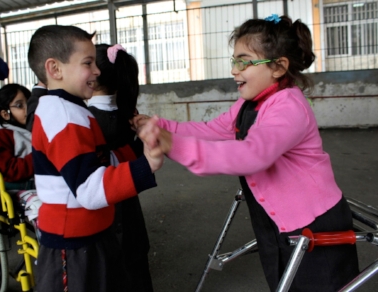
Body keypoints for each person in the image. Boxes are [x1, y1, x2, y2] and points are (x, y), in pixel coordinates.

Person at [134, 15, 359, 291]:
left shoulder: (288, 106)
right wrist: (161, 126)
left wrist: (173, 144)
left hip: (312, 224)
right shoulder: (249, 104)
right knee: (283, 281)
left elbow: (252, 155)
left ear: (278, 67)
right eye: (234, 61)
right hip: (276, 220)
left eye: (243, 61)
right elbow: (212, 130)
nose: (234, 70)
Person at [27, 24, 163, 292]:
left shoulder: (72, 109)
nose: (97, 70)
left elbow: (101, 160)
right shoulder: (63, 115)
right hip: (74, 244)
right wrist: (146, 166)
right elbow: (89, 189)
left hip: (91, 235)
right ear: (55, 69)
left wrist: (139, 151)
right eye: (87, 63)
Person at [87, 43, 153, 292]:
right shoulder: (128, 112)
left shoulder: (87, 119)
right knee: (136, 270)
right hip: (129, 205)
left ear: (95, 76)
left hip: (105, 207)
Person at [0, 83, 42, 227]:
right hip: (20, 188)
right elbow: (8, 170)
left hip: (41, 183)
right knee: (41, 210)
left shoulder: (33, 129)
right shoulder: (3, 135)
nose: (27, 109)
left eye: (29, 103)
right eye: (20, 105)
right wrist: (38, 155)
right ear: (5, 114)